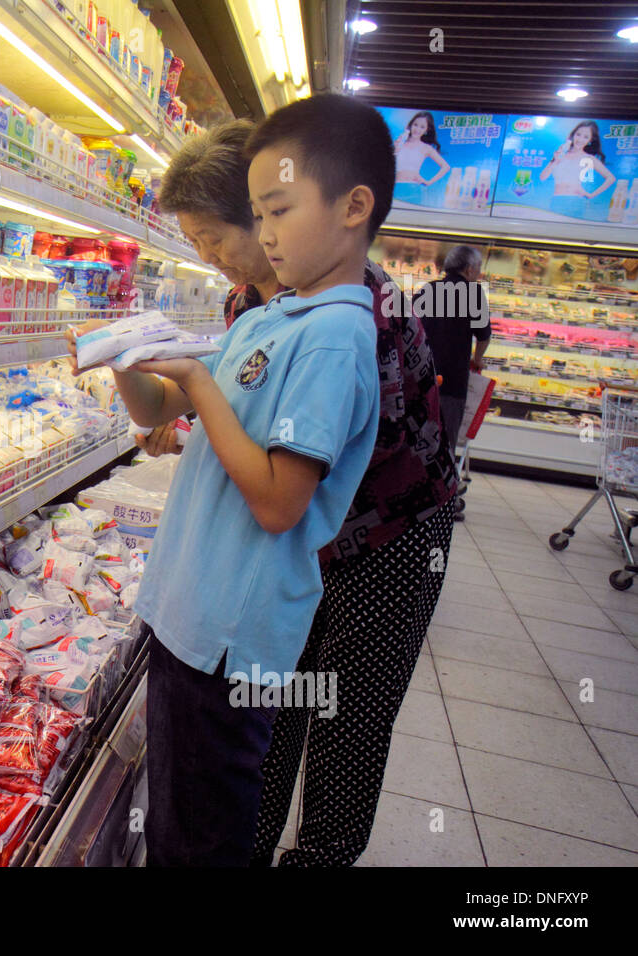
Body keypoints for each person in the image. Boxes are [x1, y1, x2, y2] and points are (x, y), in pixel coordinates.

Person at [68, 94, 390, 866]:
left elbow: (281, 502)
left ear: (354, 208)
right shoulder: (263, 320)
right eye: (259, 215)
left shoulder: (336, 338)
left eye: (278, 212)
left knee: (206, 834)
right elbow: (164, 407)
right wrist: (124, 357)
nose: (264, 235)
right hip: (186, 615)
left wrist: (202, 388)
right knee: (177, 816)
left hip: (231, 640)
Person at [134, 114, 458, 868]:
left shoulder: (351, 320)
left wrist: (202, 399)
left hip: (388, 536)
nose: (212, 258)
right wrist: (186, 415)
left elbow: (293, 476)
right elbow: (253, 423)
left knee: (346, 715)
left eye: (219, 237)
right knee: (268, 718)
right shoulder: (258, 303)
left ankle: (316, 858)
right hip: (294, 542)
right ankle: (243, 843)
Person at [414, 244, 490, 458]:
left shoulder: (427, 289)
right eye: (478, 268)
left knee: (418, 435)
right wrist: (477, 359)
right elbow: (483, 336)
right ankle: (441, 486)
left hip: (422, 377)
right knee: (446, 438)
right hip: (452, 380)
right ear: (468, 269)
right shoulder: (473, 295)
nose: (479, 273)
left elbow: (410, 325)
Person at [539, 120, 617, 219]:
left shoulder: (589, 158)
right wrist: (555, 161)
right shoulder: (561, 153)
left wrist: (591, 195)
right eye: (578, 134)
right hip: (557, 200)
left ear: (590, 140)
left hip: (576, 202)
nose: (580, 139)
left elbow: (611, 178)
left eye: (586, 137)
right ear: (573, 135)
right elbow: (542, 177)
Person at [393, 110, 450, 205]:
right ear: (411, 125)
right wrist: (394, 149)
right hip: (396, 187)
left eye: (422, 127)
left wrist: (428, 182)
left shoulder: (426, 148)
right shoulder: (400, 142)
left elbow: (445, 167)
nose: (417, 129)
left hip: (413, 190)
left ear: (426, 130)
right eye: (415, 125)